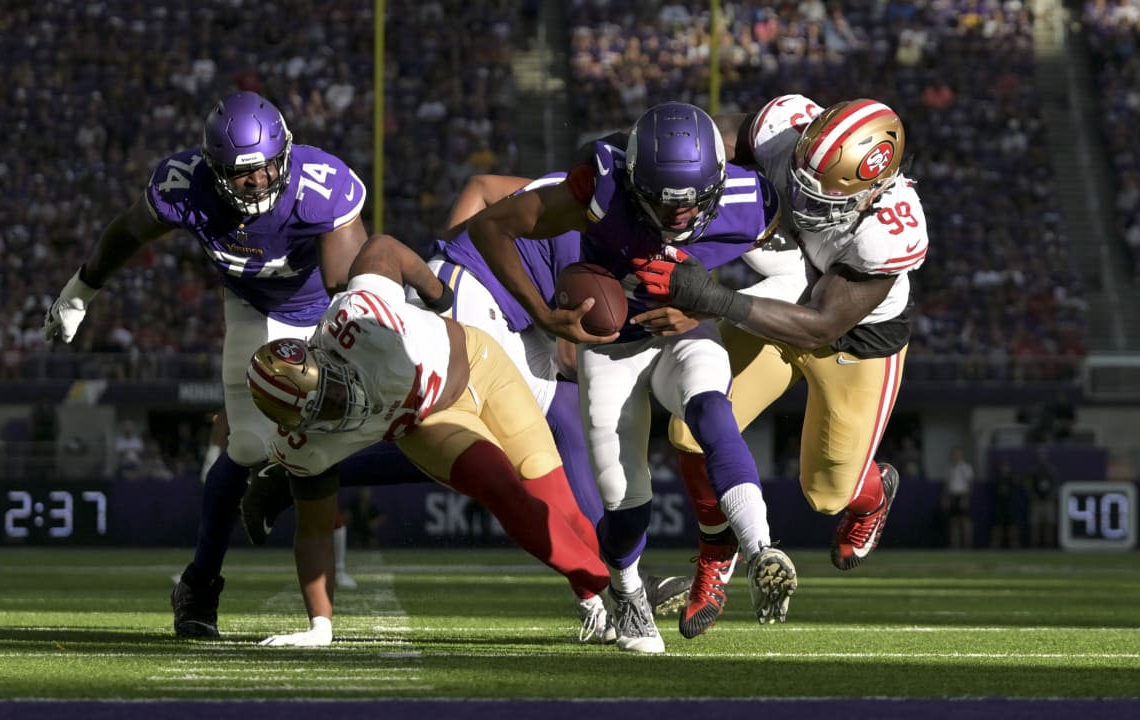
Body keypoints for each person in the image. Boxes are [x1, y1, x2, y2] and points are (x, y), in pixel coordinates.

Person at [468, 101, 794, 654]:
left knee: (712, 408)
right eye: (662, 205)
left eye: (690, 206)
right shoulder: (602, 185)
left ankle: (761, 547)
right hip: (611, 346)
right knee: (625, 501)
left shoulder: (749, 200)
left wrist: (709, 307)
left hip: (681, 333)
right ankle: (628, 590)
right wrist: (546, 316)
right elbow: (491, 225)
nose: (677, 220)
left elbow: (791, 278)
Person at [41, 90, 368, 638]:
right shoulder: (183, 185)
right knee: (245, 448)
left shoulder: (321, 185)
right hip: (249, 308)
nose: (260, 183)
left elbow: (350, 283)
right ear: (214, 169)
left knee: (354, 431)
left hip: (328, 314)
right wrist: (80, 291)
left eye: (267, 170)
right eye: (244, 176)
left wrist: (346, 346)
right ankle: (198, 586)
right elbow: (126, 231)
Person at [631, 95, 927, 635]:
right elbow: (698, 142)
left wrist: (712, 298)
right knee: (690, 430)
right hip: (782, 295)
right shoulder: (782, 132)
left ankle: (873, 492)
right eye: (799, 178)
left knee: (827, 494)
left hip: (850, 341)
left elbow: (820, 324)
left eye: (822, 195)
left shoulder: (890, 232)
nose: (801, 198)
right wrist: (633, 152)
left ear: (871, 189)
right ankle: (715, 560)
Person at [242, 233, 621, 649]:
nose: (338, 404)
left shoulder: (358, 319)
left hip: (483, 366)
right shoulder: (306, 445)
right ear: (297, 424)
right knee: (501, 489)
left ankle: (599, 600)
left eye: (330, 390)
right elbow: (314, 532)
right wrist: (320, 626)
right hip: (430, 421)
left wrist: (436, 294)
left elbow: (381, 249)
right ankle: (617, 592)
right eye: (323, 410)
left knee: (561, 504)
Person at [1027, 447, 1059, 548]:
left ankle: (1048, 544)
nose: (1042, 458)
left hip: (1048, 501)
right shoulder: (1033, 470)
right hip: (1036, 501)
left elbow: (1055, 484)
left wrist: (1051, 496)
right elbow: (1029, 485)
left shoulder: (1051, 470)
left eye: (1043, 456)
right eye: (1040, 456)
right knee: (1035, 523)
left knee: (1049, 523)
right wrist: (1034, 496)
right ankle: (1035, 544)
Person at [945, 446, 975, 549]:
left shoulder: (966, 467)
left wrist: (965, 498)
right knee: (953, 522)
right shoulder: (950, 468)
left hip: (962, 495)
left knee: (965, 521)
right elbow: (948, 484)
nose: (956, 456)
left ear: (961, 455)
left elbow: (969, 483)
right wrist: (946, 498)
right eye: (954, 454)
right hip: (953, 495)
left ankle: (967, 545)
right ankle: (955, 545)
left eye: (958, 454)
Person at [989, 458, 1021, 549]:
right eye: (1003, 466)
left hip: (1009, 505)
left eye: (1006, 466)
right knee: (997, 525)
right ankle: (995, 543)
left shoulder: (1012, 478)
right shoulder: (996, 478)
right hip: (999, 505)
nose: (1004, 468)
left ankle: (1014, 543)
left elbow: (1014, 488)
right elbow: (996, 490)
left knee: (1012, 525)